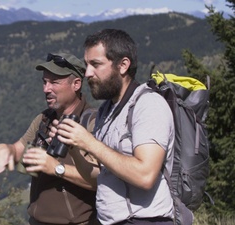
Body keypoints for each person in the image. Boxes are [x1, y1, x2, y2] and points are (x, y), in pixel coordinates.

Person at [52, 29, 176, 224]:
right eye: (86, 65)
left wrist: (90, 143)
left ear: (123, 65)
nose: (87, 73)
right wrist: (74, 147)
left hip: (144, 220)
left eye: (96, 64)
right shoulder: (105, 111)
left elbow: (145, 176)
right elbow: (98, 178)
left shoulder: (148, 105)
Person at [0, 52, 100, 225]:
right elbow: (19, 149)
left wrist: (56, 168)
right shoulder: (44, 119)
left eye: (54, 83)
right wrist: (5, 149)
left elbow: (99, 181)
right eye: (44, 82)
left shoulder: (92, 122)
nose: (46, 89)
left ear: (76, 84)